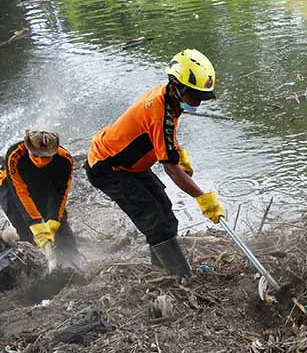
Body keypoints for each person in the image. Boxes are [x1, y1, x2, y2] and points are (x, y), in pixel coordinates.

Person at [85, 49, 225, 277]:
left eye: (200, 97)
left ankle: (160, 268)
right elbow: (170, 168)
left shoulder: (169, 100)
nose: (197, 102)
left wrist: (179, 155)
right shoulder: (158, 109)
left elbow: (163, 139)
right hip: (108, 167)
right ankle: (180, 275)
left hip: (131, 165)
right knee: (155, 221)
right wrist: (203, 198)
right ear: (176, 86)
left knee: (166, 213)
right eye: (194, 96)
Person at [0, 130, 79, 264]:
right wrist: (35, 224)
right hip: (10, 186)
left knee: (59, 222)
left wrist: (53, 220)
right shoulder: (15, 155)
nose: (41, 160)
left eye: (47, 157)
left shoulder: (65, 159)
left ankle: (71, 259)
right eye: (36, 156)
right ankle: (37, 262)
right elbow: (20, 192)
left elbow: (59, 193)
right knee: (23, 223)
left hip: (42, 181)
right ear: (28, 148)